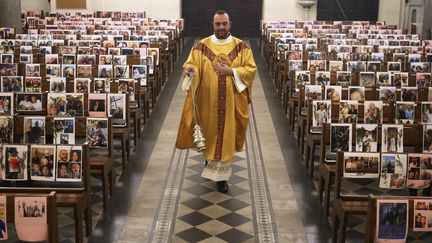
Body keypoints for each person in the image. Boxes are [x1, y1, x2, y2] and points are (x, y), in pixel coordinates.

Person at [176, 10, 256, 193]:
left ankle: (222, 179)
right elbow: (191, 63)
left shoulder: (242, 47)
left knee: (225, 138)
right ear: (213, 25)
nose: (221, 27)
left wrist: (232, 72)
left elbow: (250, 69)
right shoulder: (201, 46)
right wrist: (189, 70)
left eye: (224, 24)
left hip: (230, 103)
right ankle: (209, 160)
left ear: (230, 24)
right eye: (218, 24)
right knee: (210, 134)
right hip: (207, 101)